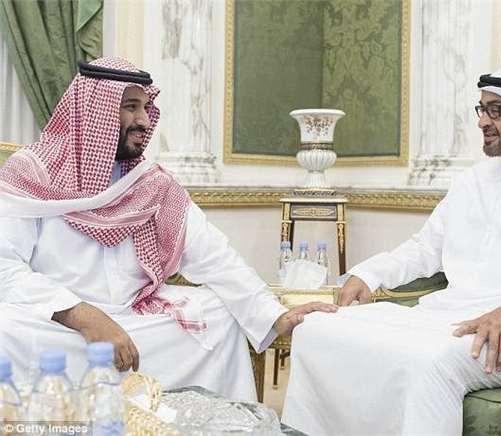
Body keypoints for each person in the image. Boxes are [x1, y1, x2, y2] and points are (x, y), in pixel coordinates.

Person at [281, 64, 501, 435]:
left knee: (430, 360)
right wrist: (369, 274)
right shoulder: (474, 179)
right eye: (482, 109)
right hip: (447, 315)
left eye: (497, 110)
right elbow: (425, 248)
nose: (483, 121)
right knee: (317, 330)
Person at [0, 57, 337, 401]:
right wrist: (82, 315)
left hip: (137, 322)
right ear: (93, 112)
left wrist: (274, 315)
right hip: (60, 325)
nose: (144, 120)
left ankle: (206, 421)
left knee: (220, 313)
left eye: (146, 107)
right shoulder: (32, 174)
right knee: (5, 329)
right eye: (131, 107)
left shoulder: (151, 184)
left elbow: (214, 256)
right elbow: (5, 267)